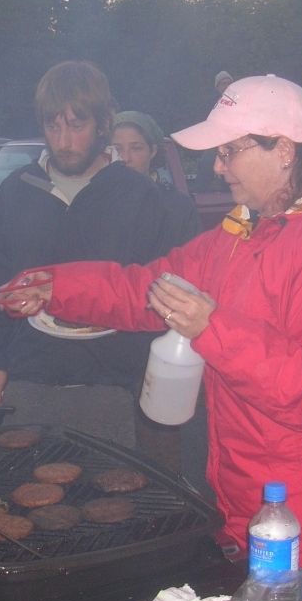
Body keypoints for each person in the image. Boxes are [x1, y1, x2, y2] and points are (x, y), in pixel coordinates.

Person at [0, 75, 302, 601]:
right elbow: (147, 287)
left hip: (298, 529)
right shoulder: (241, 233)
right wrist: (56, 287)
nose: (217, 168)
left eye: (229, 152)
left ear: (285, 151)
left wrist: (212, 327)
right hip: (238, 500)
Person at [0, 61, 189, 447]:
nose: (63, 142)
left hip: (110, 383)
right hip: (30, 378)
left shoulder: (138, 195)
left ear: (103, 124)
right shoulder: (17, 189)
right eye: (52, 127)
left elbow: (159, 291)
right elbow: (0, 278)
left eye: (77, 126)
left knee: (109, 499)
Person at [110, 111, 202, 471]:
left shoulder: (176, 205)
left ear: (152, 152)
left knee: (161, 439)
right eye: (117, 148)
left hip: (159, 334)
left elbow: (189, 276)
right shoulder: (98, 203)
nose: (126, 157)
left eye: (135, 148)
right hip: (109, 337)